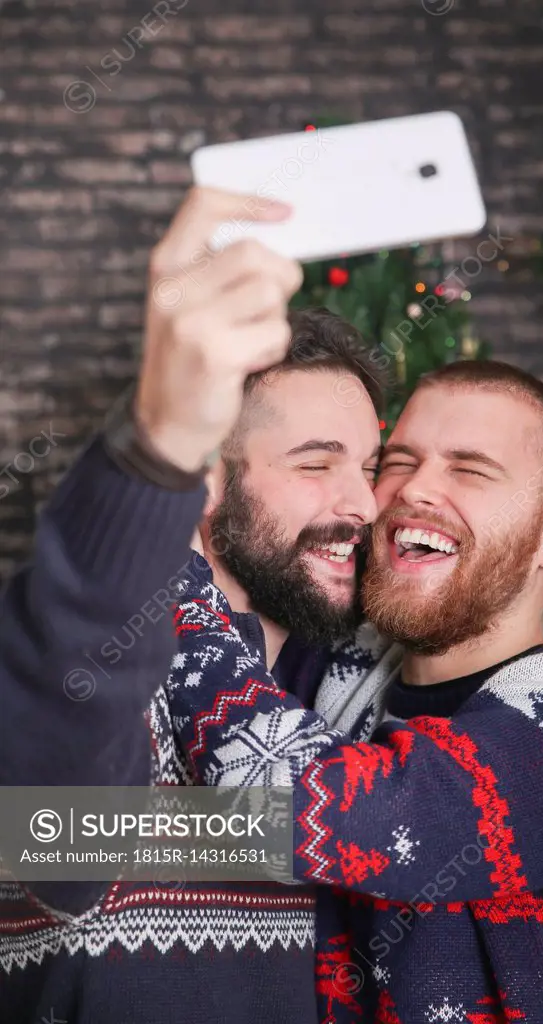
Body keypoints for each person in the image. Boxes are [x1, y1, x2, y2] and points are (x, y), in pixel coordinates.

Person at [166, 360, 543, 1024]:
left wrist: (169, 574)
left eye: (469, 470)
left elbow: (337, 813)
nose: (412, 491)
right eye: (398, 462)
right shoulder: (337, 671)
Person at [0, 188, 386, 1024]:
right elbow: (60, 829)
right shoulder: (91, 666)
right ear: (210, 484)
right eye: (317, 463)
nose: (363, 502)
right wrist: (162, 440)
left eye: (372, 464)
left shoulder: (365, 690)